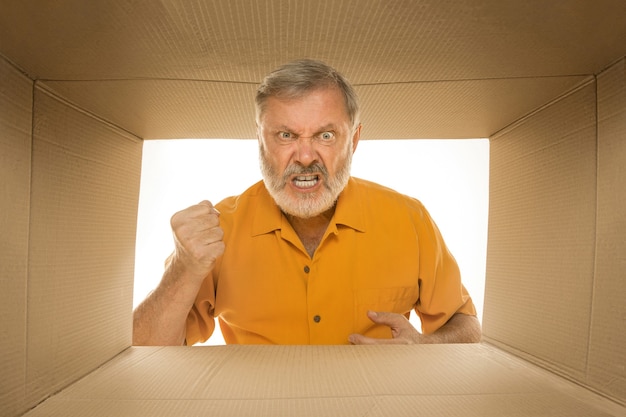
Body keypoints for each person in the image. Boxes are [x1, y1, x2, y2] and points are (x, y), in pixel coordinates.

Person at [133, 59, 481, 346]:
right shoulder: (218, 230)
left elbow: (465, 325)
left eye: (325, 135)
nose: (304, 156)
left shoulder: (410, 219)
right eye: (286, 135)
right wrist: (182, 269)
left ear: (354, 139)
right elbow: (143, 354)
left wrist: (427, 345)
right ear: (259, 139)